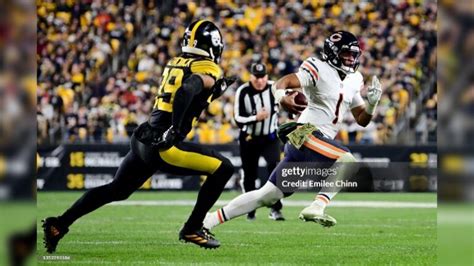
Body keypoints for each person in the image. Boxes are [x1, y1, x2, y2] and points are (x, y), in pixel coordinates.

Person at [42, 20, 235, 252]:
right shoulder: (208, 67)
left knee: (117, 189)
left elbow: (188, 95)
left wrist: (211, 94)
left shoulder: (176, 61)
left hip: (143, 137)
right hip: (164, 145)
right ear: (212, 45)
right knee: (224, 169)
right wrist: (175, 130)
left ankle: (59, 224)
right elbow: (187, 90)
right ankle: (193, 227)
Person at [203, 31, 383, 233]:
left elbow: (362, 119)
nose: (351, 58)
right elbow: (284, 82)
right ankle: (317, 206)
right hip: (304, 132)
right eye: (346, 53)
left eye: (353, 54)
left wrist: (372, 105)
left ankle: (209, 220)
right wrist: (281, 98)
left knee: (268, 195)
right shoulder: (319, 68)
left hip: (317, 142)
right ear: (332, 52)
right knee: (347, 160)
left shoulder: (354, 79)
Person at [234, 62, 285, 221]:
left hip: (270, 137)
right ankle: (250, 210)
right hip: (249, 138)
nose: (259, 80)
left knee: (275, 170)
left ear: (267, 77)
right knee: (250, 175)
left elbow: (288, 102)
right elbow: (237, 118)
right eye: (256, 77)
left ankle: (275, 209)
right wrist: (255, 118)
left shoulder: (274, 88)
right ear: (250, 76)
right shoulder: (243, 91)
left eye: (262, 76)